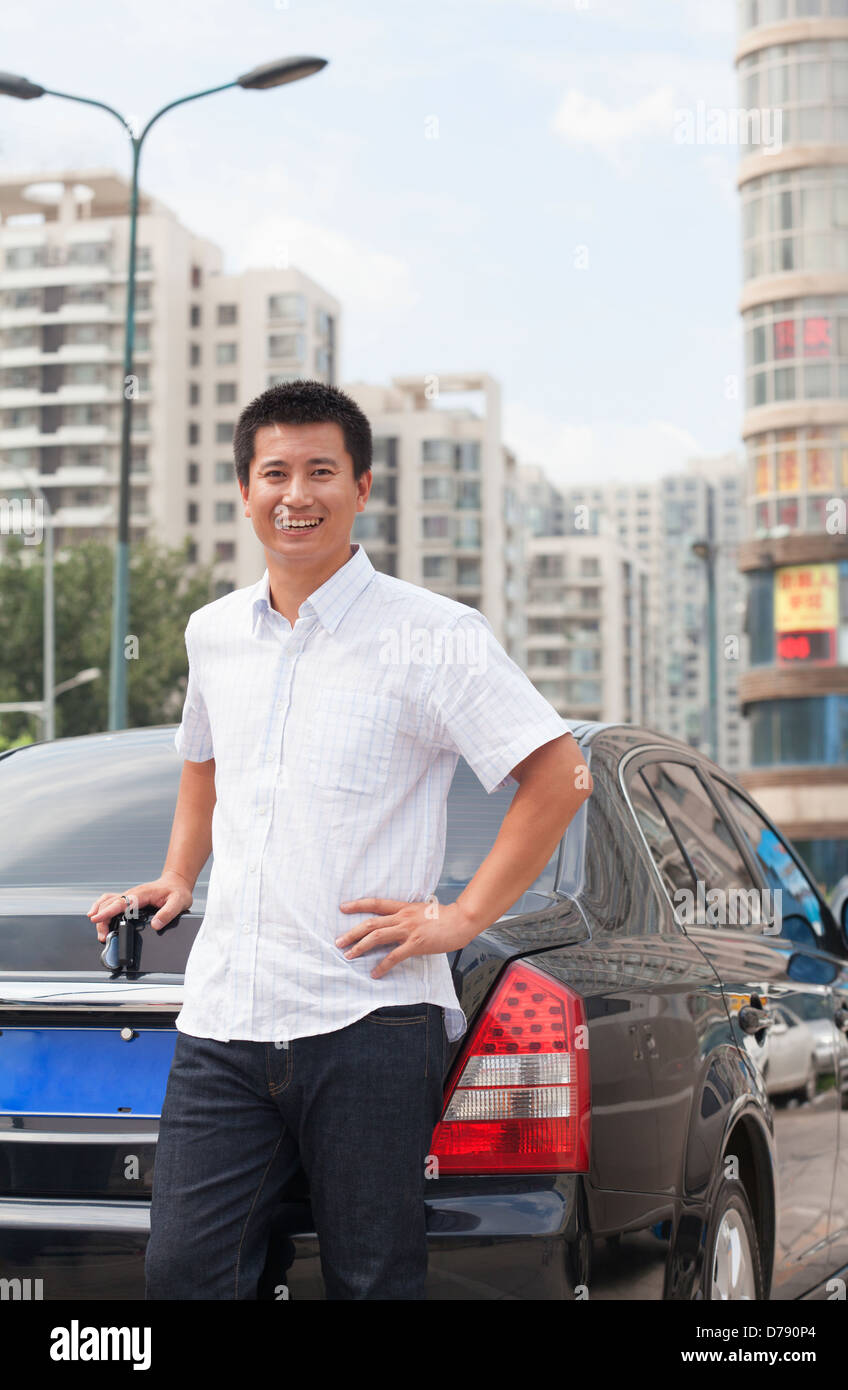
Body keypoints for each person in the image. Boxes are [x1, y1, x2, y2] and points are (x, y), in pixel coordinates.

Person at [87, 379, 593, 1300]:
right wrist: (176, 873)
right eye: (274, 472)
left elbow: (560, 776)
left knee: (372, 1280)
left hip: (368, 1020)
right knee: (185, 1274)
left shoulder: (435, 635)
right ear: (243, 490)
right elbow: (202, 761)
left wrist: (463, 915)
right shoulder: (213, 634)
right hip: (225, 1021)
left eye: (322, 470)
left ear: (363, 487)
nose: (296, 493)